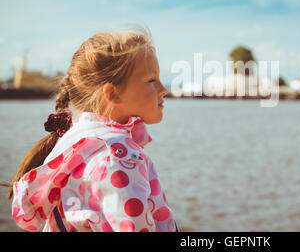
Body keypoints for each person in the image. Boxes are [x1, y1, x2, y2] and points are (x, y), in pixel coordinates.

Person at [4, 27, 178, 232]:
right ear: (113, 94)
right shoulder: (117, 158)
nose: (163, 89)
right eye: (151, 80)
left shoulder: (80, 144)